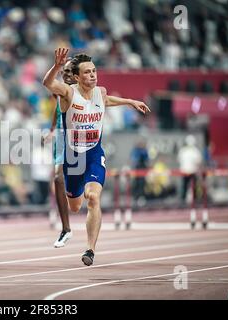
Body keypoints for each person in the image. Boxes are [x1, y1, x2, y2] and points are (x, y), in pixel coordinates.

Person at [42, 48, 150, 265]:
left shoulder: (100, 91)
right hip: (73, 158)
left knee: (93, 197)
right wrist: (56, 66)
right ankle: (70, 222)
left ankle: (90, 249)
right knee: (75, 206)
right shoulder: (69, 93)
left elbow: (107, 100)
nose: (93, 75)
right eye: (87, 72)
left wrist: (130, 101)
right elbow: (47, 84)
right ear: (76, 77)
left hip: (93, 153)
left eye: (94, 71)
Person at [42, 59, 76, 248]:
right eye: (64, 71)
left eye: (70, 71)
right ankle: (66, 229)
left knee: (79, 200)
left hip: (82, 141)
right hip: (62, 140)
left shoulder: (85, 90)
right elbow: (57, 108)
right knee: (57, 178)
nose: (66, 74)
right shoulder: (60, 90)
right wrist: (52, 128)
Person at [177, 135, 202, 204]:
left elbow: (179, 160)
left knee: (185, 187)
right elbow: (198, 162)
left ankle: (183, 201)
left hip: (185, 172)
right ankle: (194, 200)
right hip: (192, 172)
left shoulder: (183, 150)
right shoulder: (195, 151)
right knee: (192, 187)